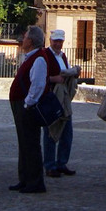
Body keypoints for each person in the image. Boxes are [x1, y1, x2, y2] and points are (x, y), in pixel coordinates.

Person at [8, 25, 53, 194]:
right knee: (24, 142)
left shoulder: (39, 59)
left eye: (25, 37)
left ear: (31, 41)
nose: (23, 39)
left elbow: (38, 85)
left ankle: (34, 181)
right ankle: (25, 178)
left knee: (31, 143)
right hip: (21, 104)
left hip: (27, 106)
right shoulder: (32, 57)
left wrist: (27, 103)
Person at [43, 29, 80, 178]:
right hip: (51, 98)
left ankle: (61, 163)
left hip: (63, 98)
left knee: (67, 132)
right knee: (51, 133)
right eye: (55, 41)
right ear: (50, 40)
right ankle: (50, 165)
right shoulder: (45, 56)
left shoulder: (63, 56)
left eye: (60, 41)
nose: (58, 44)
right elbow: (40, 76)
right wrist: (53, 79)